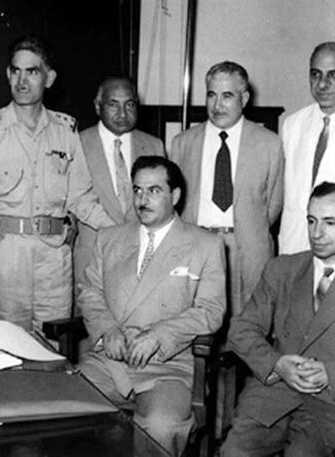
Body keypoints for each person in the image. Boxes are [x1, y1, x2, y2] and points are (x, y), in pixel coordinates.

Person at [0, 34, 113, 332]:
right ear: (8, 74)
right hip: (4, 261)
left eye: (32, 71)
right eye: (16, 70)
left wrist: (122, 232)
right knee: (5, 345)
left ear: (49, 78)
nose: (22, 80)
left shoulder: (65, 130)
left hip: (54, 261)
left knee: (54, 345)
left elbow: (81, 198)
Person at [78, 156, 226, 456]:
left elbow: (210, 311)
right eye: (137, 190)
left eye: (153, 191)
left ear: (175, 196)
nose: (142, 200)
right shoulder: (110, 238)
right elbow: (90, 292)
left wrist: (159, 335)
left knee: (160, 425)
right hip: (110, 359)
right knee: (63, 408)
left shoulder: (205, 244)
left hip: (169, 365)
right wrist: (108, 331)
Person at [222, 181, 335, 456]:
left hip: (328, 403)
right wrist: (278, 364)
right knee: (234, 452)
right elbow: (242, 329)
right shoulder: (282, 269)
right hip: (273, 392)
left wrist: (329, 372)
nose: (316, 233)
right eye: (311, 221)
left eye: (330, 223)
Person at [170, 61, 283, 319]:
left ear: (244, 98)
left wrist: (247, 231)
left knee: (247, 328)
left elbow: (273, 203)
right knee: (195, 321)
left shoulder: (269, 144)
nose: (217, 105)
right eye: (211, 95)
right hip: (198, 246)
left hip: (247, 249)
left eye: (227, 96)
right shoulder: (183, 143)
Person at [73, 75, 164, 297]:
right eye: (113, 104)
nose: (122, 114)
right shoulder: (77, 143)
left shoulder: (154, 145)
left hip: (143, 259)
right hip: (92, 259)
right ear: (97, 106)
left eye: (129, 104)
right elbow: (76, 199)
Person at [279, 42, 335, 255]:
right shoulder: (293, 124)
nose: (322, 84)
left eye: (332, 75)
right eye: (315, 74)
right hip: (294, 243)